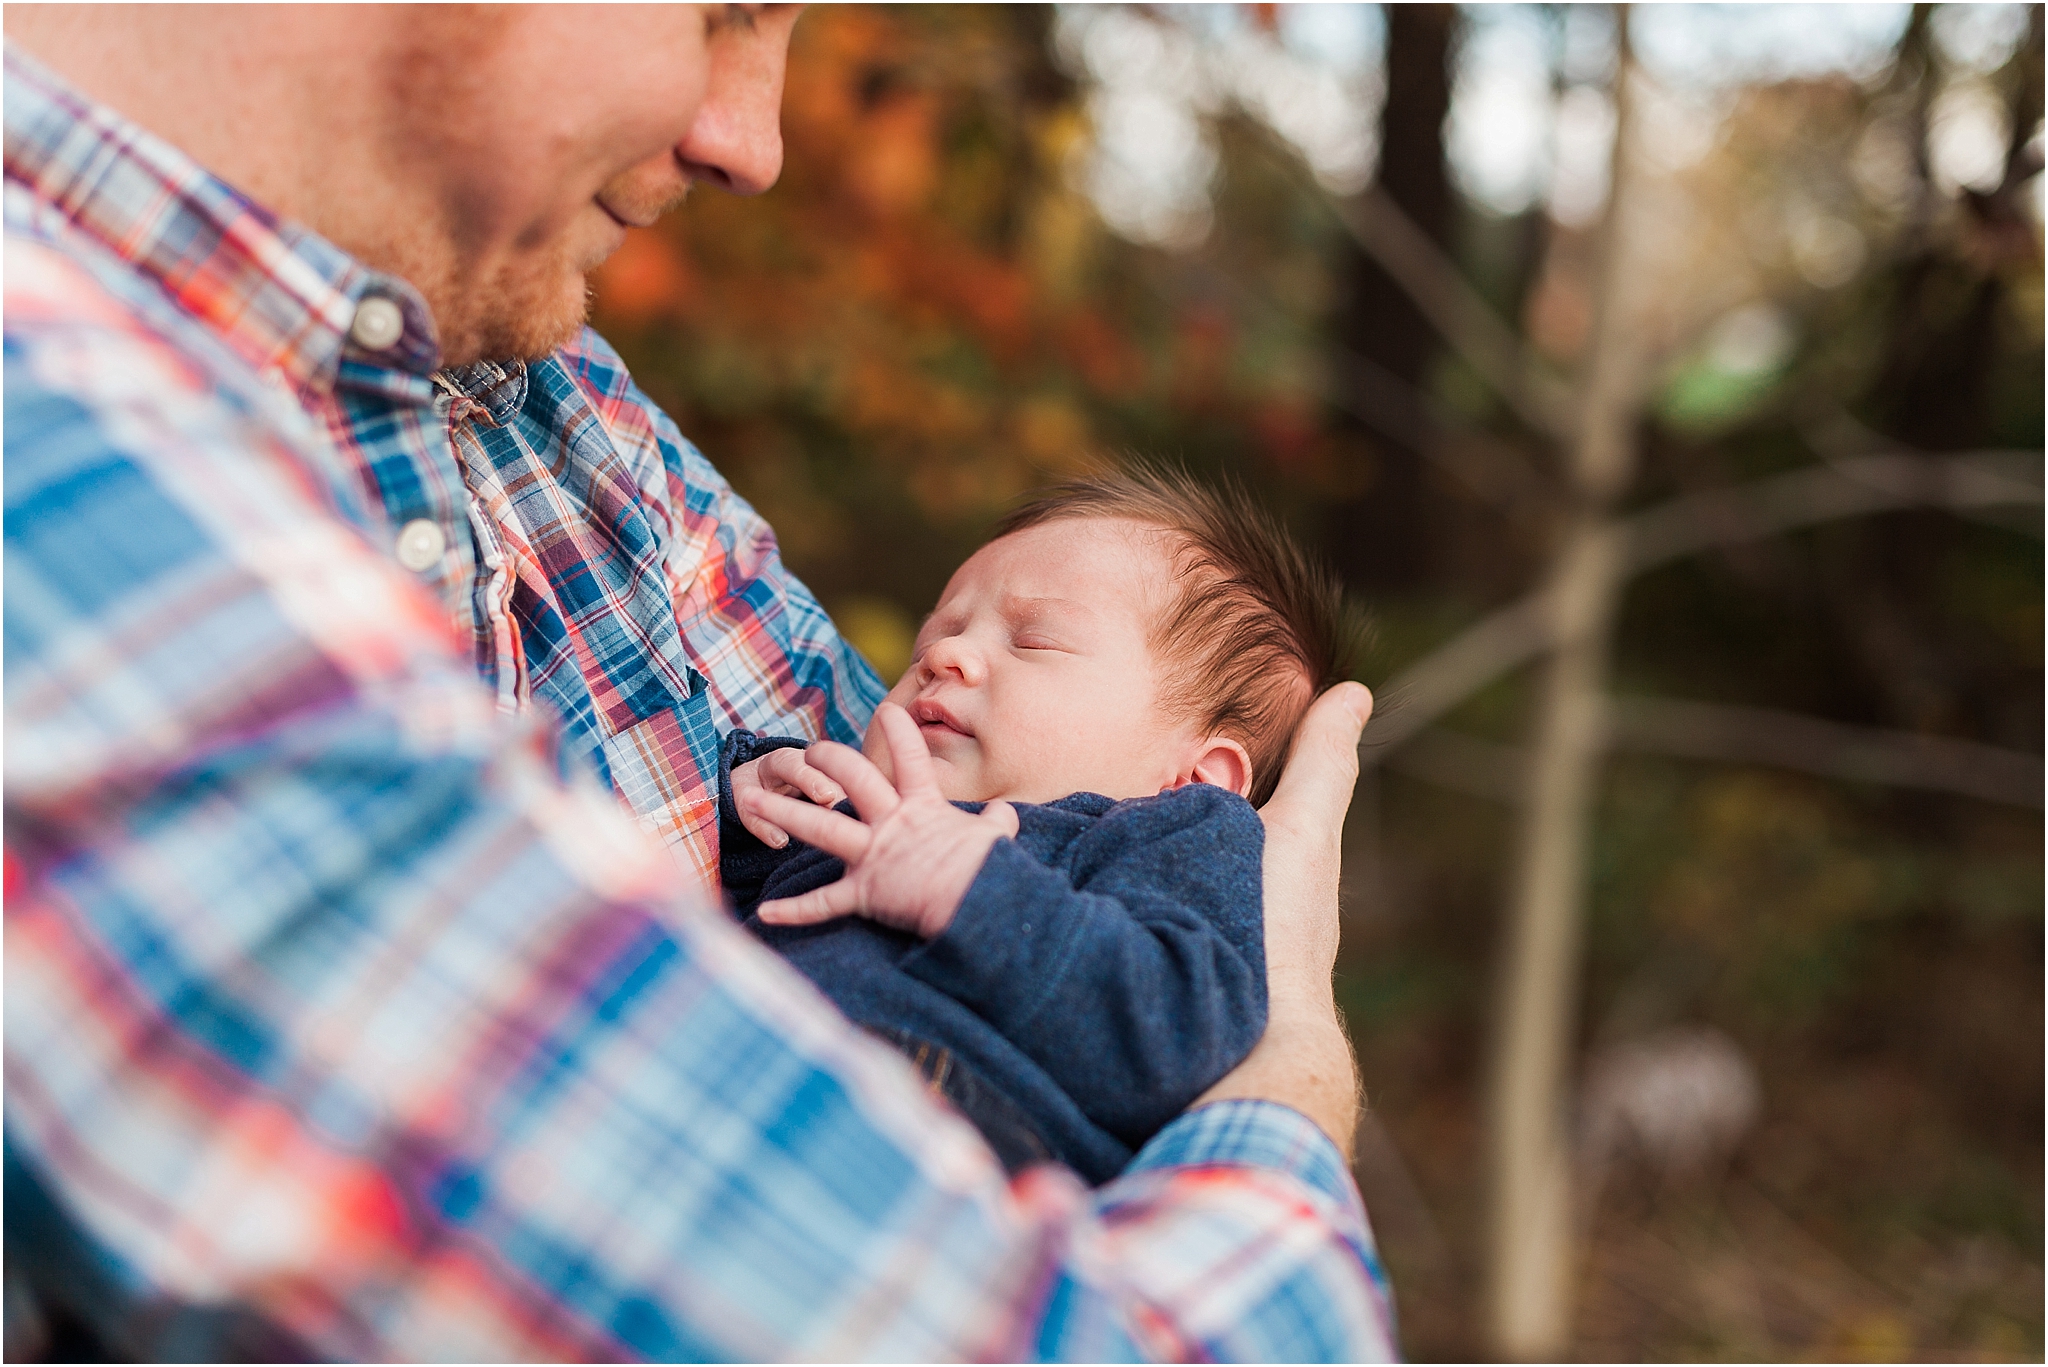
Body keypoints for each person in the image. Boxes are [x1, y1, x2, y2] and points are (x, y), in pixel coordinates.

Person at [4, 6, 1393, 1361]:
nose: (753, 141)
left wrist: (789, 803)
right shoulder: (57, 472)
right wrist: (1290, 1080)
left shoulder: (548, 404)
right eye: (727, 10)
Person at [720, 469, 1346, 1185]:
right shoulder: (868, 806)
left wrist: (975, 892)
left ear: (1195, 776)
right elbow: (720, 895)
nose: (941, 657)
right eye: (939, 633)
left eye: (1035, 640)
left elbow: (1176, 1037)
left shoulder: (1167, 836)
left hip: (954, 1136)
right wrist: (750, 806)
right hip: (726, 1073)